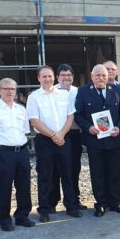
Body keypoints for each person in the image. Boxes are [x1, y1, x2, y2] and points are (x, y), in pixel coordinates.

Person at [0, 78, 35, 231]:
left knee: (24, 185)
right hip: (3, 153)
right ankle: (4, 219)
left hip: (21, 152)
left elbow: (25, 131)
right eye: (6, 89)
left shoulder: (21, 110)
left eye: (12, 89)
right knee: (4, 187)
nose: (10, 91)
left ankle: (22, 216)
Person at [27, 65, 80, 222]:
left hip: (64, 138)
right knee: (45, 175)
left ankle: (71, 206)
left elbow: (70, 116)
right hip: (44, 140)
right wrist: (53, 135)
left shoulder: (64, 95)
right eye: (44, 76)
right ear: (39, 78)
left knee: (67, 174)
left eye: (49, 76)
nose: (47, 79)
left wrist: (62, 134)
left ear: (54, 77)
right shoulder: (34, 97)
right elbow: (34, 121)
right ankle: (44, 209)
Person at [76, 64, 120, 217]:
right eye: (98, 75)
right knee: (97, 173)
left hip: (114, 140)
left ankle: (115, 202)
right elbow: (78, 115)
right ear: (92, 76)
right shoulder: (83, 91)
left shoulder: (116, 90)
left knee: (115, 172)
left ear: (108, 77)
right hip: (95, 141)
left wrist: (119, 127)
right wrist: (88, 128)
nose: (101, 78)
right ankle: (100, 203)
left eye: (104, 76)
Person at [49, 64, 87, 213]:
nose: (66, 78)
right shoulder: (52, 92)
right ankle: (52, 202)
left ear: (73, 77)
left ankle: (73, 200)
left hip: (74, 135)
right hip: (56, 135)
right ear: (57, 77)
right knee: (55, 170)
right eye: (63, 75)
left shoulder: (78, 92)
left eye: (69, 75)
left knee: (74, 169)